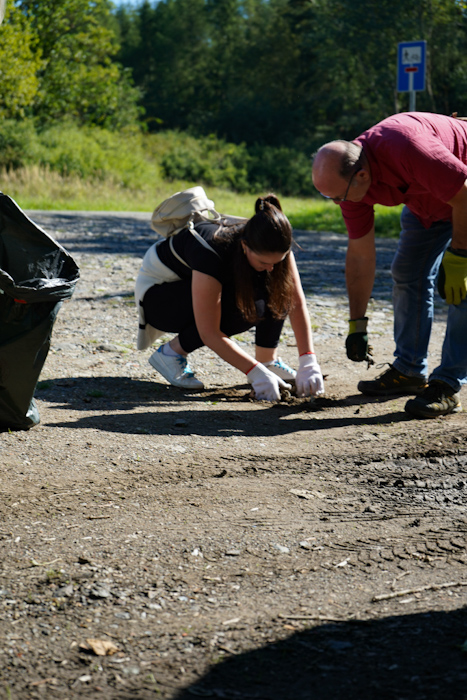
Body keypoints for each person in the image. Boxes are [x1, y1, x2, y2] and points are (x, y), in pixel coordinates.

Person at [312, 111, 467, 418]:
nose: (337, 204)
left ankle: (447, 385)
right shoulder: (351, 184)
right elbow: (360, 255)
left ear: (362, 176)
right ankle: (409, 371)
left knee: (462, 289)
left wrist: (460, 256)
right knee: (407, 272)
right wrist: (357, 323)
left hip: (463, 196)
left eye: (338, 197)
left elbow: (464, 196)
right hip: (428, 204)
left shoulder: (407, 146)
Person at [135, 194, 325, 402]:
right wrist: (254, 372)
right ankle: (170, 354)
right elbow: (209, 331)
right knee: (240, 307)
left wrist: (308, 359)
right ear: (245, 246)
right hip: (160, 299)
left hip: (190, 285)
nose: (271, 267)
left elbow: (294, 301)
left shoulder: (276, 245)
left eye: (277, 261)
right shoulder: (212, 249)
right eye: (264, 261)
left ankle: (267, 361)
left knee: (275, 286)